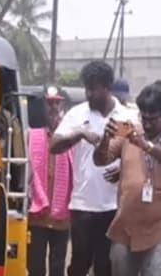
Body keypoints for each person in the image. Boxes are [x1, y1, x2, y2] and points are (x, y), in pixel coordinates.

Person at [51, 60, 137, 276]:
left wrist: (124, 171)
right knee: (79, 265)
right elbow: (54, 145)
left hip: (113, 207)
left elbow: (137, 154)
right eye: (86, 88)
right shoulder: (77, 114)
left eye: (93, 89)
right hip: (83, 205)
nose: (88, 94)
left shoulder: (126, 117)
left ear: (107, 88)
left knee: (105, 267)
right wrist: (79, 133)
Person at [96, 83, 161, 276]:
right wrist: (105, 138)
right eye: (143, 118)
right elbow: (100, 160)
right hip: (125, 227)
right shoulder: (129, 131)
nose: (147, 124)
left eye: (153, 119)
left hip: (160, 229)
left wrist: (146, 145)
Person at [29, 85, 74, 276]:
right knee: (35, 265)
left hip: (61, 213)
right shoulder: (31, 134)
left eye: (57, 103)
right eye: (49, 103)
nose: (53, 108)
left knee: (57, 266)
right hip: (37, 212)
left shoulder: (70, 135)